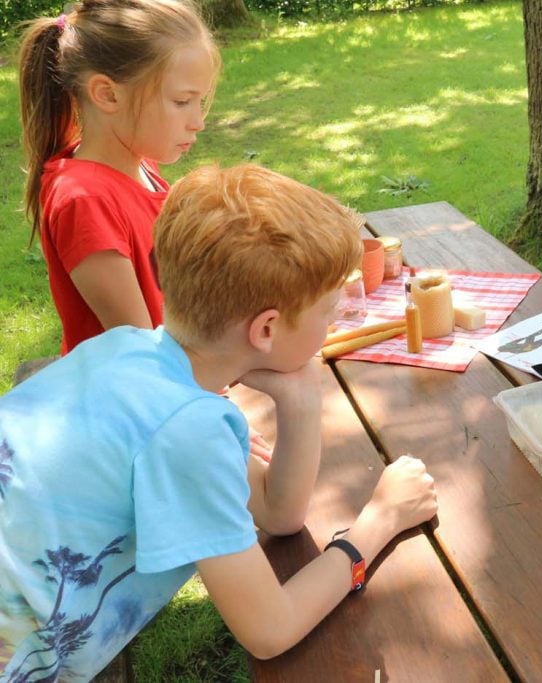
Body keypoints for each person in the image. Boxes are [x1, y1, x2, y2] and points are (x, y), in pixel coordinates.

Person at [0, 164, 440, 678]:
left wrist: (299, 401)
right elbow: (270, 630)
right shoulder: (187, 431)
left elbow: (278, 514)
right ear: (267, 329)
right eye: (328, 311)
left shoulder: (130, 350)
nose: (339, 317)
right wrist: (378, 521)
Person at [18, 0, 219, 355]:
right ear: (108, 94)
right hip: (135, 399)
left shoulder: (141, 167)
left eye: (199, 102)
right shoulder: (85, 200)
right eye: (182, 101)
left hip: (182, 375)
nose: (198, 122)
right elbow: (142, 352)